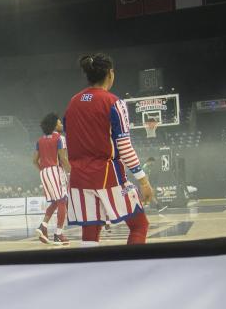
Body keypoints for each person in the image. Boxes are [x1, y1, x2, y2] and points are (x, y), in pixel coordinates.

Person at [63, 54, 154, 246]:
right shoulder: (114, 102)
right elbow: (125, 146)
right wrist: (143, 181)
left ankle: (91, 275)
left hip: (78, 178)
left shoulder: (72, 103)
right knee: (139, 226)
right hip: (107, 174)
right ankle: (135, 272)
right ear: (110, 74)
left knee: (90, 234)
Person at [33, 112, 71, 246]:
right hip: (55, 170)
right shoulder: (60, 138)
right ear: (55, 125)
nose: (61, 124)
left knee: (55, 201)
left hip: (44, 172)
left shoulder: (40, 140)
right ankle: (59, 233)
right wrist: (72, 171)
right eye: (59, 123)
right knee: (62, 201)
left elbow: (34, 160)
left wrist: (45, 171)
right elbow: (63, 158)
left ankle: (43, 226)